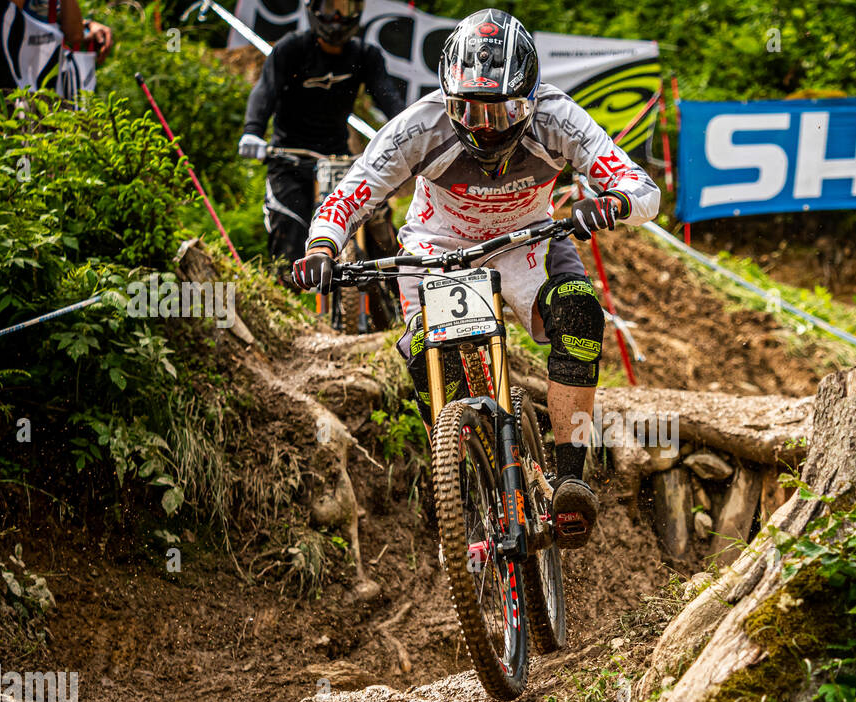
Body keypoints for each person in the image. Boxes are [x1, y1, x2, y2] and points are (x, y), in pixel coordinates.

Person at [290, 8, 658, 550]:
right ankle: (460, 486)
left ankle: (568, 477)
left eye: (504, 110)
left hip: (528, 239)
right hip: (438, 248)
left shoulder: (559, 116)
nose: (484, 127)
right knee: (423, 353)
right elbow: (351, 193)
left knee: (580, 312)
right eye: (468, 110)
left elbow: (642, 188)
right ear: (447, 96)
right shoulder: (421, 123)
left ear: (530, 99)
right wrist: (322, 246)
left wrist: (611, 203)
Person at [238, 0, 404, 279]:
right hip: (288, 157)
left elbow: (389, 98)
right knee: (288, 238)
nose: (337, 17)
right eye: (330, 8)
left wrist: (409, 132)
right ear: (314, 9)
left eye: (345, 8)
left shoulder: (364, 54)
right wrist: (252, 130)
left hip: (339, 157)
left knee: (379, 220)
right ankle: (291, 307)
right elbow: (264, 91)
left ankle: (397, 295)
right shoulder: (291, 50)